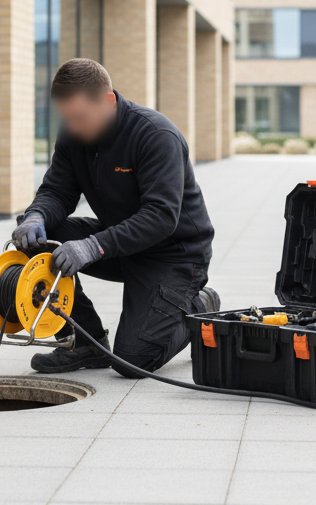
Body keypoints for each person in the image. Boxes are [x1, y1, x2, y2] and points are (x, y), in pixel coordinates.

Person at [12, 58, 219, 376]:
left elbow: (160, 216)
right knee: (40, 237)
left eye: (80, 117)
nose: (73, 127)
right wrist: (35, 216)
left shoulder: (155, 135)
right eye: (67, 118)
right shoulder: (74, 135)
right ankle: (85, 342)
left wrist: (91, 247)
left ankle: (200, 306)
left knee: (133, 361)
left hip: (174, 255)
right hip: (119, 243)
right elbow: (57, 191)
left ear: (108, 101)